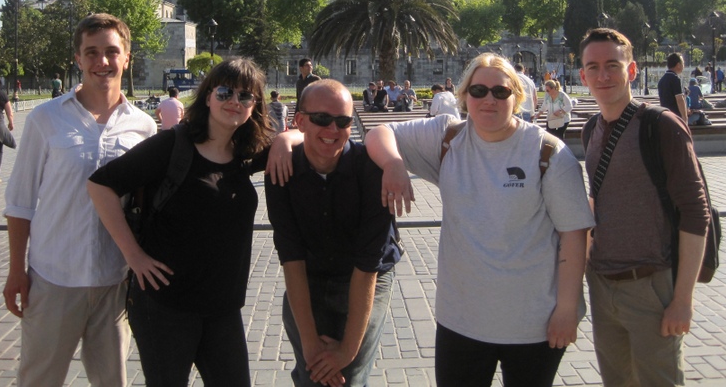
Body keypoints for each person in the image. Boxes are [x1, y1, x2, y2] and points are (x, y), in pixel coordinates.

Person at [364, 53, 594, 386]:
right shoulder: (448, 138)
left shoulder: (547, 153)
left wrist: (567, 309)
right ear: (464, 96)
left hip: (534, 323)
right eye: (478, 91)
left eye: (500, 92)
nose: (489, 99)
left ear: (516, 97)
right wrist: (393, 164)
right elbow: (379, 133)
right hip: (461, 322)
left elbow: (575, 234)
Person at [87, 58, 280, 387]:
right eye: (224, 92)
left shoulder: (247, 154)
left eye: (245, 96)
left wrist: (288, 141)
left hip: (222, 307)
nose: (234, 101)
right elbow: (100, 185)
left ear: (255, 106)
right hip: (165, 305)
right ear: (208, 97)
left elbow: (298, 141)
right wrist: (134, 256)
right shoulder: (172, 145)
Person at [3, 14, 158, 387]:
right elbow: (20, 200)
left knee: (111, 381)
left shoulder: (143, 126)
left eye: (111, 51)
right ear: (77, 58)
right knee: (39, 378)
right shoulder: (46, 119)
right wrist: (15, 270)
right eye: (92, 52)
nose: (102, 62)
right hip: (54, 277)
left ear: (127, 57)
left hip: (113, 280)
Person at [578, 28, 710, 387]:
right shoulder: (591, 130)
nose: (603, 75)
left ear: (632, 70)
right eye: (593, 67)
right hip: (603, 284)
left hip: (651, 285)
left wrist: (683, 298)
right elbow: (597, 203)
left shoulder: (661, 126)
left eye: (612, 65)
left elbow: (696, 212)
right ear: (582, 75)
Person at [265, 80, 403, 386]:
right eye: (321, 119)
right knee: (313, 372)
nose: (332, 130)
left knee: (348, 377)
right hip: (310, 271)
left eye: (342, 121)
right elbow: (291, 258)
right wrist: (311, 343)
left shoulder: (371, 171)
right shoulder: (281, 170)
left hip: (368, 273)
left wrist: (347, 351)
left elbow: (367, 266)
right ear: (299, 121)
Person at [658, 53, 688, 122]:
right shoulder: (675, 79)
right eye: (683, 63)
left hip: (665, 116)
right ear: (678, 65)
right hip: (675, 117)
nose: (683, 66)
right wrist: (684, 117)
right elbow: (679, 100)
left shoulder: (662, 80)